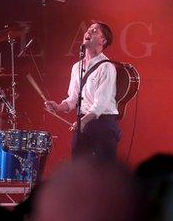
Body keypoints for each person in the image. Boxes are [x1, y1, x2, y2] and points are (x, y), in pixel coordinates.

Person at [44, 20, 119, 161]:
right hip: (83, 123)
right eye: (88, 29)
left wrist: (83, 122)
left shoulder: (107, 67)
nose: (88, 32)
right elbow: (72, 99)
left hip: (103, 125)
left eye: (95, 30)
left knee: (103, 174)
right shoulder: (76, 67)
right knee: (79, 170)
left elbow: (100, 105)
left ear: (102, 41)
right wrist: (58, 107)